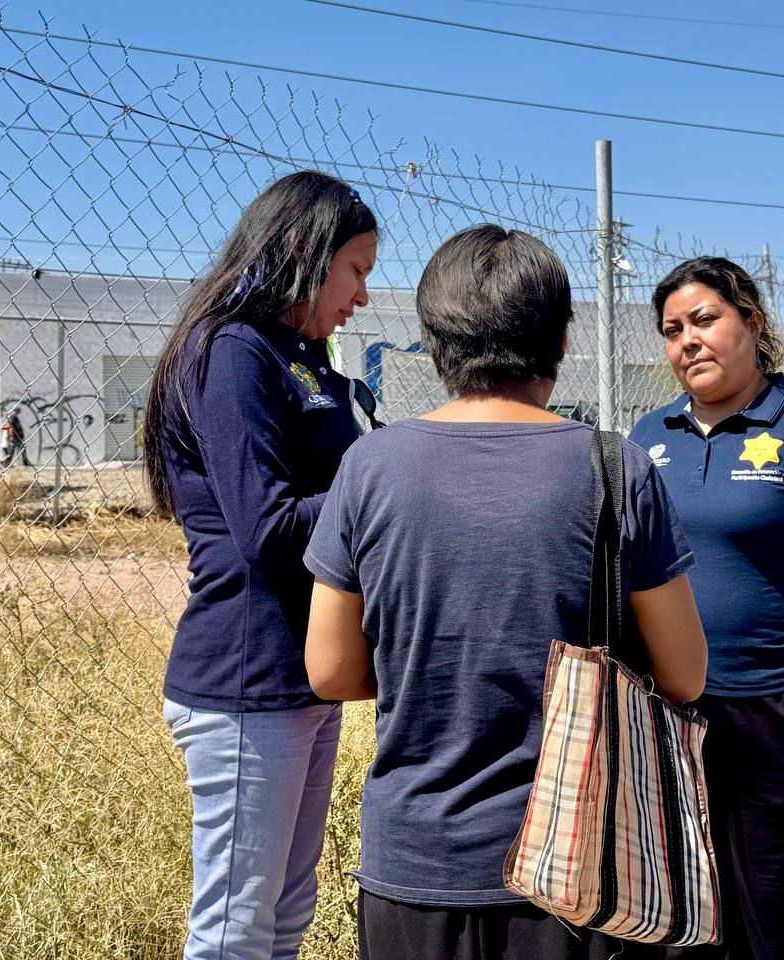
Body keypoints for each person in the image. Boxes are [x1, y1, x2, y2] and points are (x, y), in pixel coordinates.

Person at [301, 224, 708, 960]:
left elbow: (328, 671)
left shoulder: (369, 467)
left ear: (435, 342)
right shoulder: (617, 469)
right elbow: (685, 675)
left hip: (412, 866)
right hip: (579, 869)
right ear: (559, 341)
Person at [141, 170, 378, 960]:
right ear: (308, 254)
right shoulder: (233, 351)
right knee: (235, 928)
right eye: (357, 271)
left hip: (304, 674)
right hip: (246, 679)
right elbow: (268, 529)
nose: (363, 297)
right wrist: (381, 480)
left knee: (285, 915)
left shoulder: (302, 357)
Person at [628, 257, 784, 960]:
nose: (688, 340)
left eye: (705, 320)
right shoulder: (645, 440)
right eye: (673, 329)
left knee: (783, 926)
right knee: (675, 930)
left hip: (783, 720)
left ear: (753, 324)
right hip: (670, 722)